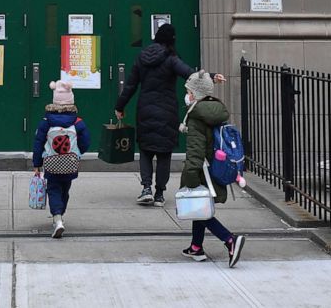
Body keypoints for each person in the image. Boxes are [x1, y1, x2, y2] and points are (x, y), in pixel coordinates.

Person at [115, 23, 223, 207]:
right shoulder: (172, 59)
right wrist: (211, 76)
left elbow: (131, 86)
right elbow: (191, 75)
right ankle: (159, 194)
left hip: (145, 110)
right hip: (167, 111)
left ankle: (146, 188)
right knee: (164, 154)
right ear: (172, 39)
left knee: (146, 151)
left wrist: (120, 106)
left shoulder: (142, 57)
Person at [178, 70, 246, 266]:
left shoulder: (196, 116)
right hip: (215, 167)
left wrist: (190, 176)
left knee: (199, 209)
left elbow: (195, 151)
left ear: (196, 94)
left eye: (189, 91)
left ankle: (230, 240)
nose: (187, 94)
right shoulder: (214, 109)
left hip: (201, 171)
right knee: (199, 208)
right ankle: (196, 247)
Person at [32, 80, 90, 239]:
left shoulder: (46, 122)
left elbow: (38, 143)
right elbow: (86, 142)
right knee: (65, 188)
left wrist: (37, 163)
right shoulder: (78, 122)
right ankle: (60, 214)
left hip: (51, 164)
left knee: (53, 189)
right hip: (70, 164)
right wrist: (77, 153)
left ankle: (57, 218)